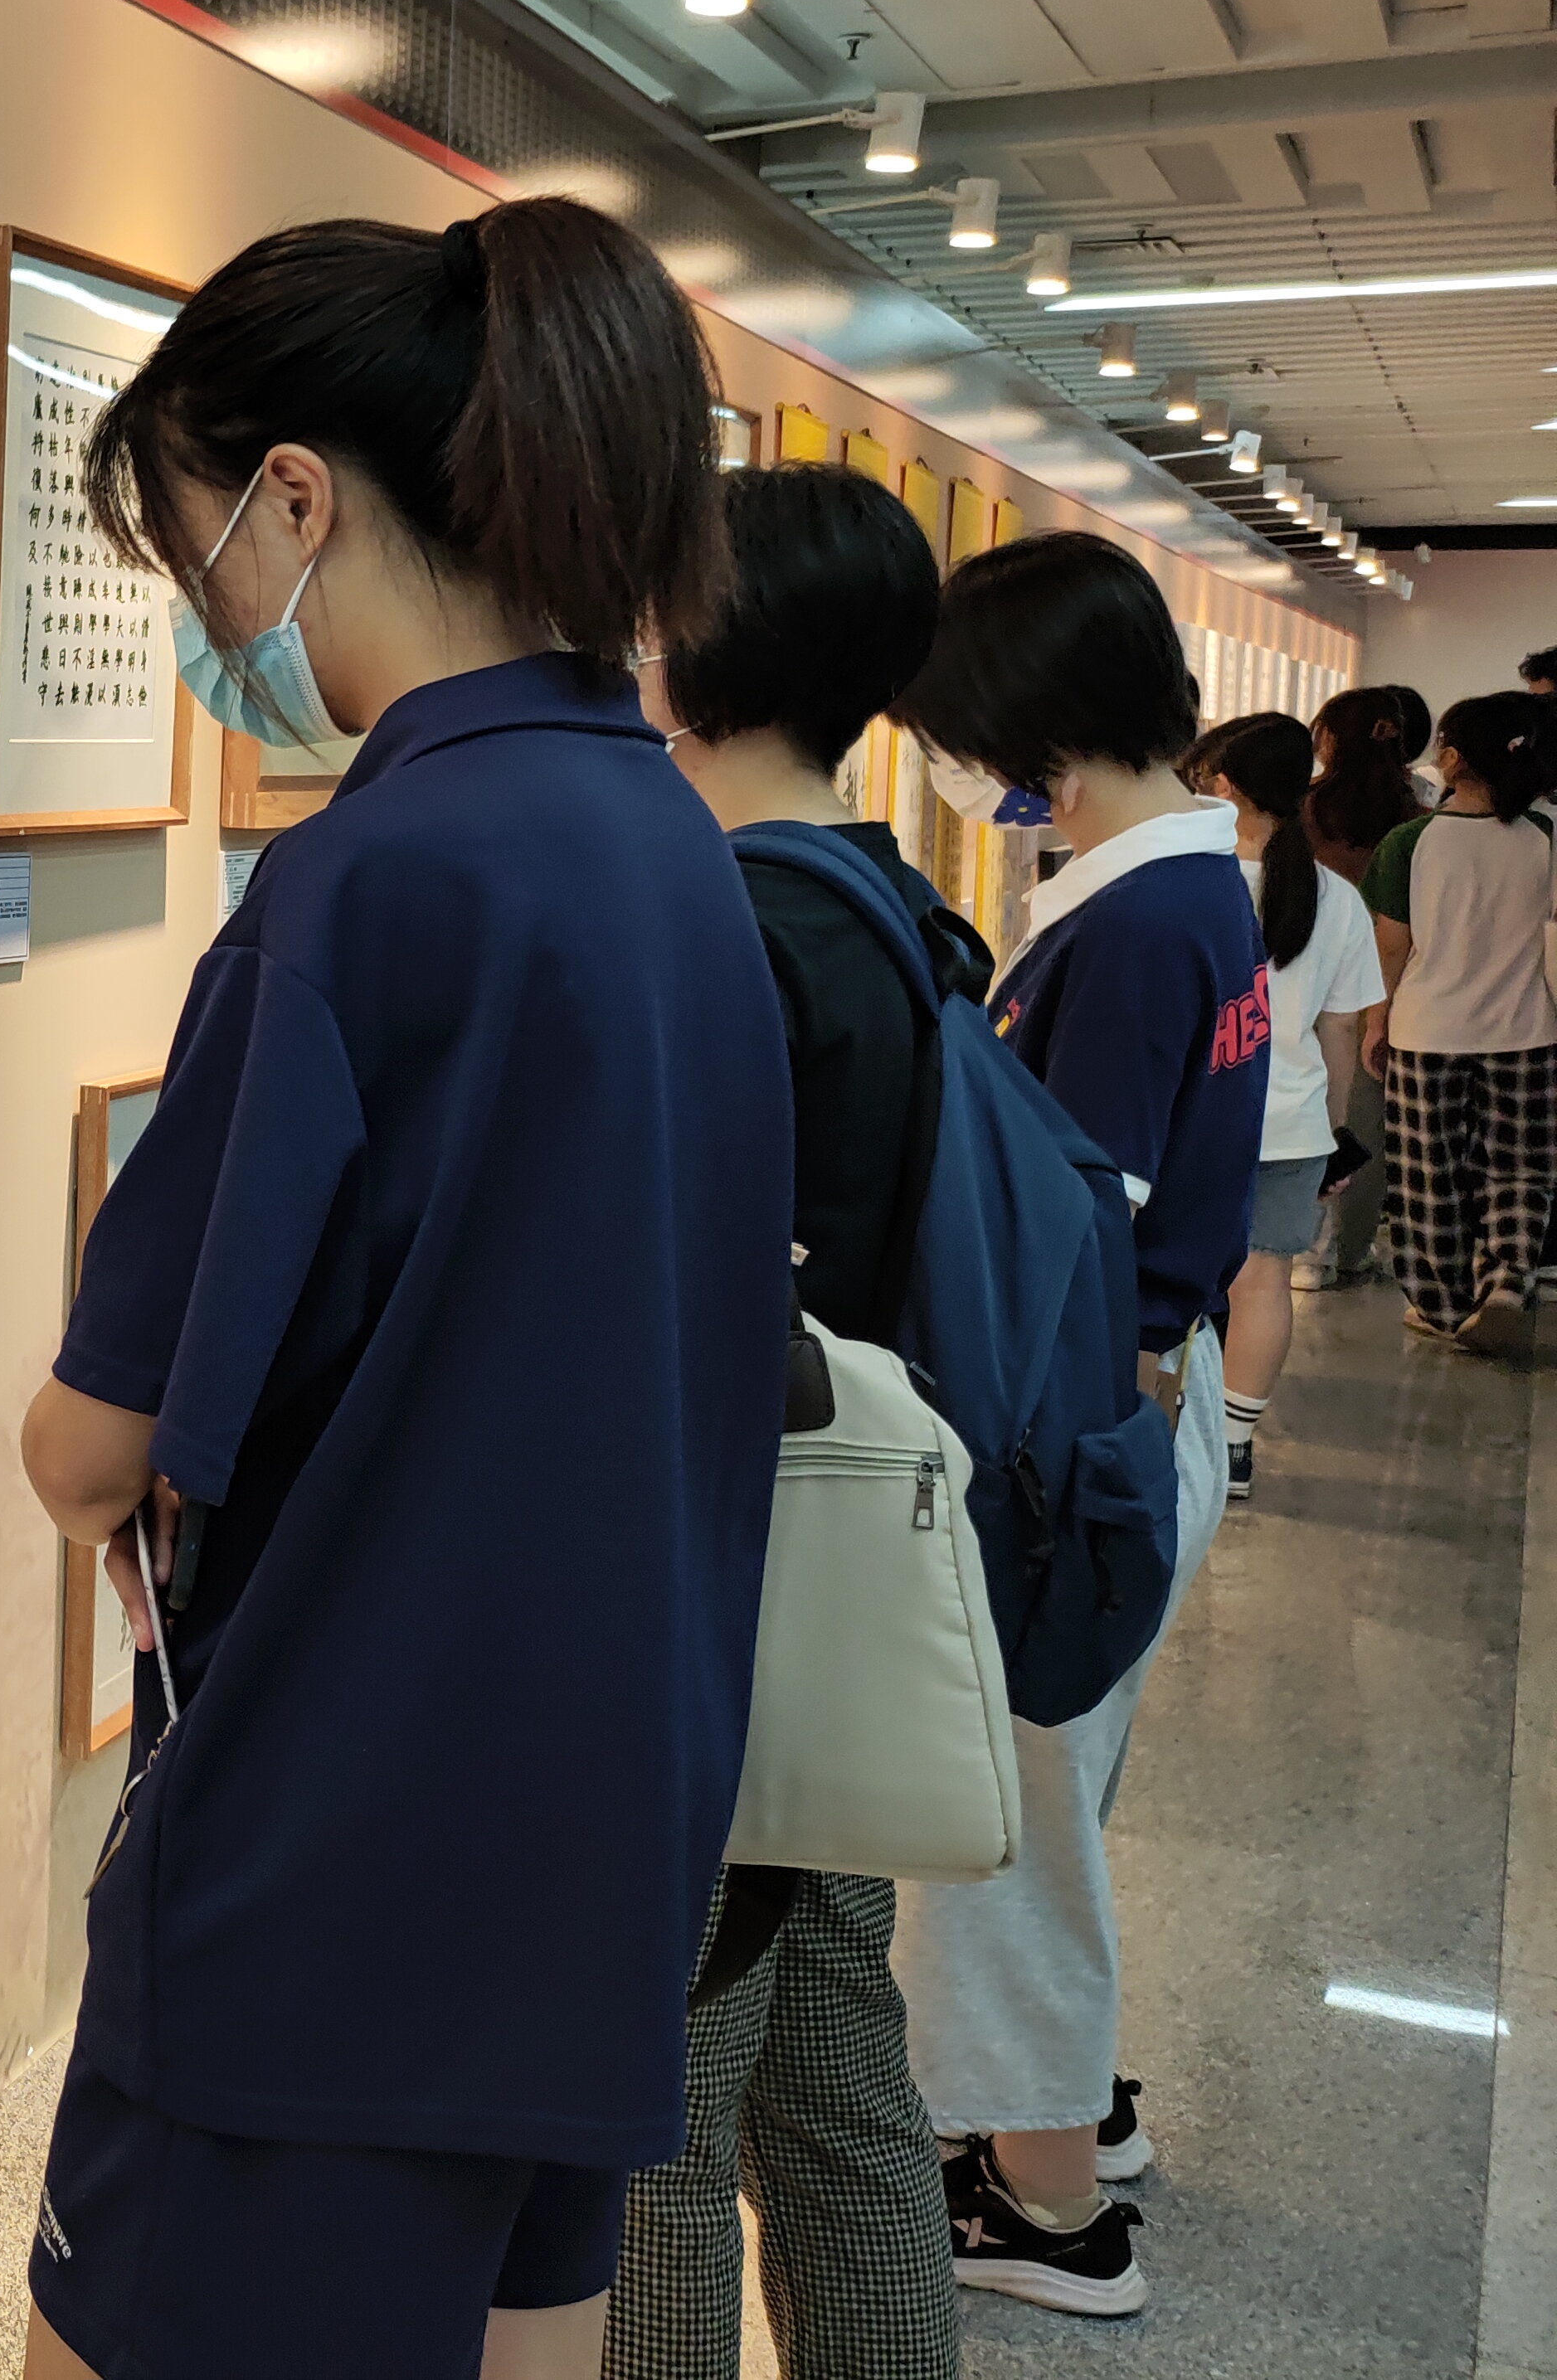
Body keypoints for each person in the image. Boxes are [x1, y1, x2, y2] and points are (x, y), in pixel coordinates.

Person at [17, 198, 788, 2380]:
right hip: (593, 1850)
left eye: (192, 556)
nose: (208, 624)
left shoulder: (361, 887)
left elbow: (92, 1443)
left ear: (294, 500)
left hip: (330, 1875)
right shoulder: (671, 852)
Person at [615, 464, 976, 2380]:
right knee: (834, 2088)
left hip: (716, 1585)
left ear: (697, 638)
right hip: (835, 1571)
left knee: (651, 2123)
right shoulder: (881, 901)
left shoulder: (719, 925)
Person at [885, 532, 1261, 2320]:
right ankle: (1070, 2111)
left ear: (1030, 727)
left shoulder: (1126, 928)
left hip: (1075, 1437)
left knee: (1012, 1825)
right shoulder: (1184, 885)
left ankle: (1046, 2206)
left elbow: (1060, 1229)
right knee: (1051, 1794)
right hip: (1134, 1410)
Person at [1178, 713, 1382, 1495]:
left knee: (1174, 1276)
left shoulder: (1187, 881)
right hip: (1290, 1126)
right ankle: (1234, 1448)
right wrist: (1332, 1130)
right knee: (1264, 1280)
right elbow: (1340, 1032)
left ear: (1224, 785)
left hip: (1190, 1120)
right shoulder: (1336, 898)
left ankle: (1165, 1429)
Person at [1361, 693, 1557, 1353]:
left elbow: (1392, 947)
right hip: (1527, 1031)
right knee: (1520, 1168)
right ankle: (1506, 1280)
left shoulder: (1410, 842)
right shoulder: (1546, 837)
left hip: (1427, 1031)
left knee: (1428, 1174)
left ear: (1449, 758)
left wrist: (1376, 1022)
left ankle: (1442, 1307)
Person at [1301, 687, 1424, 1289]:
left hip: (1307, 973)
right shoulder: (1418, 816)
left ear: (1330, 739)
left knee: (1309, 1105)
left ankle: (1307, 1251)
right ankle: (1352, 1248)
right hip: (1381, 982)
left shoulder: (1305, 808)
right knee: (1365, 1117)